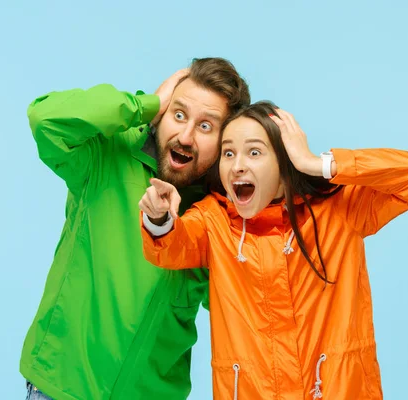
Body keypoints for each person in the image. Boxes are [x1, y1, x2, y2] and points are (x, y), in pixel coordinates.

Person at [139, 101, 408, 399]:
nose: (238, 165)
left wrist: (317, 164)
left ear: (284, 161)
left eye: (254, 152)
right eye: (228, 153)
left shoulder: (340, 210)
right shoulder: (215, 220)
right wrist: (159, 216)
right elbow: (172, 245)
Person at [21, 58, 250, 400]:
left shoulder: (219, 216)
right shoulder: (107, 153)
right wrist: (144, 106)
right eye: (179, 114)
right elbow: (45, 119)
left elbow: (241, 309)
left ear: (224, 142)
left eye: (205, 127)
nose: (185, 137)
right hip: (61, 388)